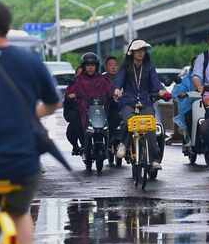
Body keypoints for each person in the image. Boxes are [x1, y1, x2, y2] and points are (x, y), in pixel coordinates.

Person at [0, 0, 61, 244]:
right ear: (8, 28)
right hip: (22, 162)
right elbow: (53, 103)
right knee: (20, 214)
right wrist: (31, 114)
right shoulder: (31, 62)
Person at [113, 39, 169, 169]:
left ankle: (155, 159)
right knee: (129, 121)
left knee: (150, 126)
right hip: (128, 101)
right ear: (132, 52)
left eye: (142, 50)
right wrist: (117, 89)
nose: (140, 53)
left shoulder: (149, 66)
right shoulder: (125, 66)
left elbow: (155, 83)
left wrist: (162, 91)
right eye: (137, 50)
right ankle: (123, 144)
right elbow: (119, 81)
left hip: (145, 102)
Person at [65, 53, 114, 139]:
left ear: (96, 66)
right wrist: (71, 96)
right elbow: (70, 92)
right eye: (88, 65)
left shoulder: (102, 79)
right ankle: (83, 146)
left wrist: (114, 94)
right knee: (75, 124)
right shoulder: (78, 80)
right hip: (84, 112)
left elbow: (110, 90)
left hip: (101, 112)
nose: (90, 67)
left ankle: (111, 146)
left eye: (92, 65)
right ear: (84, 66)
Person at [172, 56, 198, 148]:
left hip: (208, 105)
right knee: (189, 116)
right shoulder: (187, 79)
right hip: (192, 106)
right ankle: (190, 138)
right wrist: (182, 93)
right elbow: (180, 89)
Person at [64, 66, 85, 155]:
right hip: (75, 114)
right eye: (78, 74)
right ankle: (78, 146)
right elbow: (67, 101)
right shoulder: (71, 86)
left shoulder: (95, 84)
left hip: (91, 112)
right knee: (73, 128)